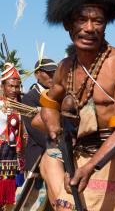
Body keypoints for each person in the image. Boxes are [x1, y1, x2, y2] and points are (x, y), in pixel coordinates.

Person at [36, 0, 115, 210]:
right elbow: (49, 101)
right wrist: (53, 126)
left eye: (97, 21)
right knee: (50, 163)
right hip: (78, 158)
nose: (90, 28)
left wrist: (90, 166)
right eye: (82, 20)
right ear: (67, 25)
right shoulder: (64, 67)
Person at [20, 58, 58, 210]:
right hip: (38, 157)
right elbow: (35, 131)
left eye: (54, 73)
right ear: (37, 74)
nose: (52, 77)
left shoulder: (56, 96)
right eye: (48, 73)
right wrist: (59, 144)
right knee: (35, 205)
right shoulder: (29, 98)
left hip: (57, 156)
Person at [0, 63, 24, 210]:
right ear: (3, 86)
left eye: (17, 86)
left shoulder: (21, 105)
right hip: (2, 152)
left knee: (13, 197)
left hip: (16, 155)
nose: (14, 90)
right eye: (11, 86)